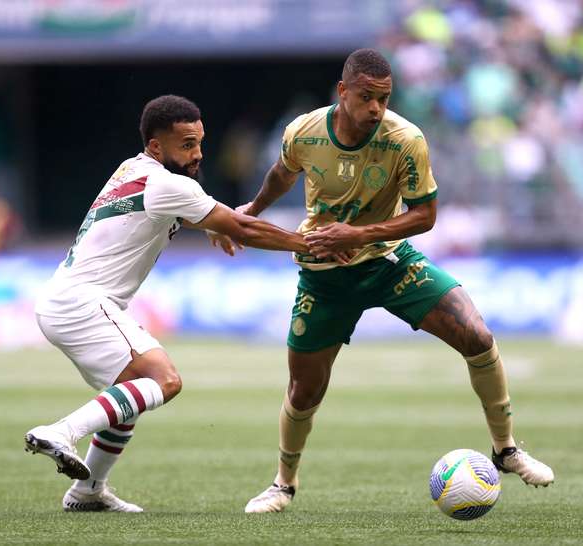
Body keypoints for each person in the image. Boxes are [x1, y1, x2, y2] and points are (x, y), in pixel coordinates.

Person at [232, 49, 554, 513]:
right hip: (325, 274)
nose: (376, 108)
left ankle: (505, 451)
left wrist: (359, 234)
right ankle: (284, 483)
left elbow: (425, 215)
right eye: (366, 97)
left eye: (383, 98)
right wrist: (253, 211)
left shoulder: (406, 139)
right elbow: (282, 174)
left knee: (478, 336)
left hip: (389, 263)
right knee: (304, 390)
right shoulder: (303, 131)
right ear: (343, 92)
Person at [25, 95, 311, 513]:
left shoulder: (135, 169)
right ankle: (61, 432)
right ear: (157, 148)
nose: (197, 154)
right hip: (85, 303)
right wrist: (307, 243)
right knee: (164, 380)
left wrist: (212, 222)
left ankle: (88, 491)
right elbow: (242, 227)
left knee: (132, 392)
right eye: (186, 145)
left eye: (199, 143)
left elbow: (188, 212)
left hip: (66, 300)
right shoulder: (169, 184)